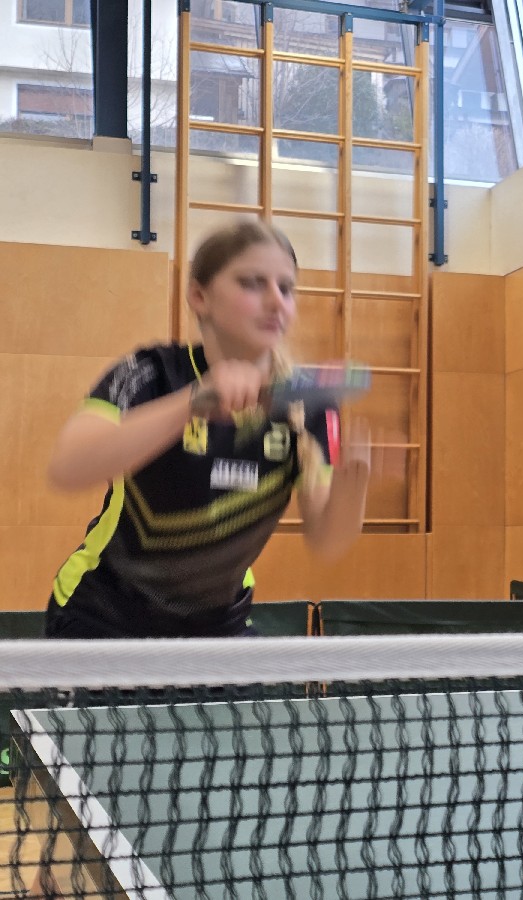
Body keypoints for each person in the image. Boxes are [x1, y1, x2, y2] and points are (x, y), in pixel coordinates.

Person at [43, 219, 370, 638]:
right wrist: (192, 403)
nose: (276, 301)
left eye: (286, 288)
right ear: (200, 296)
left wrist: (353, 487)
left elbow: (327, 541)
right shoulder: (149, 373)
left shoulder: (309, 404)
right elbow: (68, 467)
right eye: (252, 283)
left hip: (217, 628)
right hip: (104, 618)